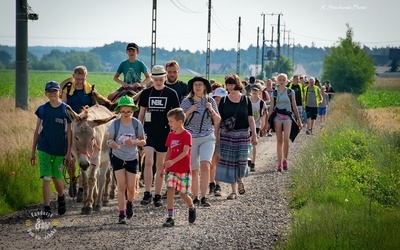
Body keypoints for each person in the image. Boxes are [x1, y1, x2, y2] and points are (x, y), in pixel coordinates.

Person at [138, 65, 180, 207]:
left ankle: (157, 194)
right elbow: (141, 113)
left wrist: (175, 132)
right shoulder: (145, 94)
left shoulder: (171, 93)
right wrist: (139, 130)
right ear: (152, 78)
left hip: (165, 132)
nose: (158, 81)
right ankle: (147, 192)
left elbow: (176, 114)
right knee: (148, 161)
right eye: (155, 78)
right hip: (148, 131)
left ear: (164, 78)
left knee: (160, 165)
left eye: (160, 78)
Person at [30, 81, 72, 218]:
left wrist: (68, 153)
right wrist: (33, 152)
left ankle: (61, 196)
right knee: (46, 177)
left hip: (60, 149)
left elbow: (69, 133)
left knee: (56, 178)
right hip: (44, 147)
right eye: (50, 92)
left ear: (60, 92)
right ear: (46, 94)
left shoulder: (66, 109)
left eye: (55, 91)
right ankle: (47, 208)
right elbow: (37, 131)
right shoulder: (42, 109)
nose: (52, 94)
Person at [215, 74, 257, 200]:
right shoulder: (223, 100)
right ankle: (234, 191)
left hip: (243, 134)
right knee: (230, 163)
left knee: (242, 161)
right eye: (228, 84)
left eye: (232, 84)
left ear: (237, 84)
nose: (229, 86)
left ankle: (240, 180)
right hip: (227, 135)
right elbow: (218, 120)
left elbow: (250, 118)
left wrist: (254, 134)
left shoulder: (246, 100)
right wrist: (216, 136)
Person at [181, 76, 221, 207]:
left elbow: (217, 120)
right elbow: (180, 121)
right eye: (195, 85)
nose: (198, 87)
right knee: (194, 169)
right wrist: (189, 111)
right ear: (192, 87)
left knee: (205, 165)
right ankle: (195, 197)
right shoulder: (186, 102)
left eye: (200, 85)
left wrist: (210, 109)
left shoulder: (210, 101)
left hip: (207, 137)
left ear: (204, 87)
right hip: (191, 138)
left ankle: (204, 197)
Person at [107, 96, 146, 224]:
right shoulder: (115, 124)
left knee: (130, 187)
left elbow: (143, 141)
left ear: (133, 111)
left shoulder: (136, 123)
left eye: (129, 111)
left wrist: (133, 141)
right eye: (123, 111)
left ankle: (129, 203)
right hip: (118, 156)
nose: (126, 114)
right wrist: (112, 144)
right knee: (121, 186)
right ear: (119, 111)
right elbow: (109, 139)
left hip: (132, 158)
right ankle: (121, 214)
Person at [61, 65, 93, 202]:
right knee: (70, 157)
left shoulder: (90, 90)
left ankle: (81, 188)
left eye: (82, 78)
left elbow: (93, 108)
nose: (79, 81)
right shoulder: (67, 89)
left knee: (83, 155)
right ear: (73, 76)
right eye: (77, 78)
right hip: (70, 123)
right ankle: (73, 179)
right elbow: (64, 106)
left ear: (86, 77)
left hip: (84, 127)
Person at [161, 108, 196, 227]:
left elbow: (185, 152)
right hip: (171, 170)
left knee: (183, 194)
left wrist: (173, 161)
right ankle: (170, 217)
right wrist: (164, 166)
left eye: (171, 121)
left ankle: (191, 207)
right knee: (170, 190)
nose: (169, 124)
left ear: (180, 122)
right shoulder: (170, 135)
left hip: (183, 170)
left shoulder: (187, 135)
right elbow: (169, 151)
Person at [265, 73, 302, 172]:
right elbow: (271, 108)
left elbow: (294, 106)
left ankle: (285, 160)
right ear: (277, 81)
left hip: (288, 117)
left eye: (283, 80)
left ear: (286, 81)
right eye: (280, 80)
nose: (281, 81)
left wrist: (299, 120)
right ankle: (279, 164)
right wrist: (268, 122)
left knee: (286, 139)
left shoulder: (291, 92)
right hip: (277, 117)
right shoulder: (274, 93)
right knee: (279, 141)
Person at [209, 87, 227, 196]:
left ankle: (218, 185)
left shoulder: (226, 110)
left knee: (218, 160)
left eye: (220, 99)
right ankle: (211, 183)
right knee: (211, 162)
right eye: (216, 99)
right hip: (210, 136)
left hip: (222, 136)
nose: (218, 101)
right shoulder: (210, 109)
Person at [248, 83, 267, 172]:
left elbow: (265, 114)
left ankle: (253, 162)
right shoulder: (247, 100)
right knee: (246, 142)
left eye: (256, 90)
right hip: (246, 124)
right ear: (250, 91)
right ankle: (247, 159)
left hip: (257, 125)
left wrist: (264, 126)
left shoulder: (261, 102)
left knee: (254, 143)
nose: (254, 92)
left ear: (259, 92)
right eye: (253, 90)